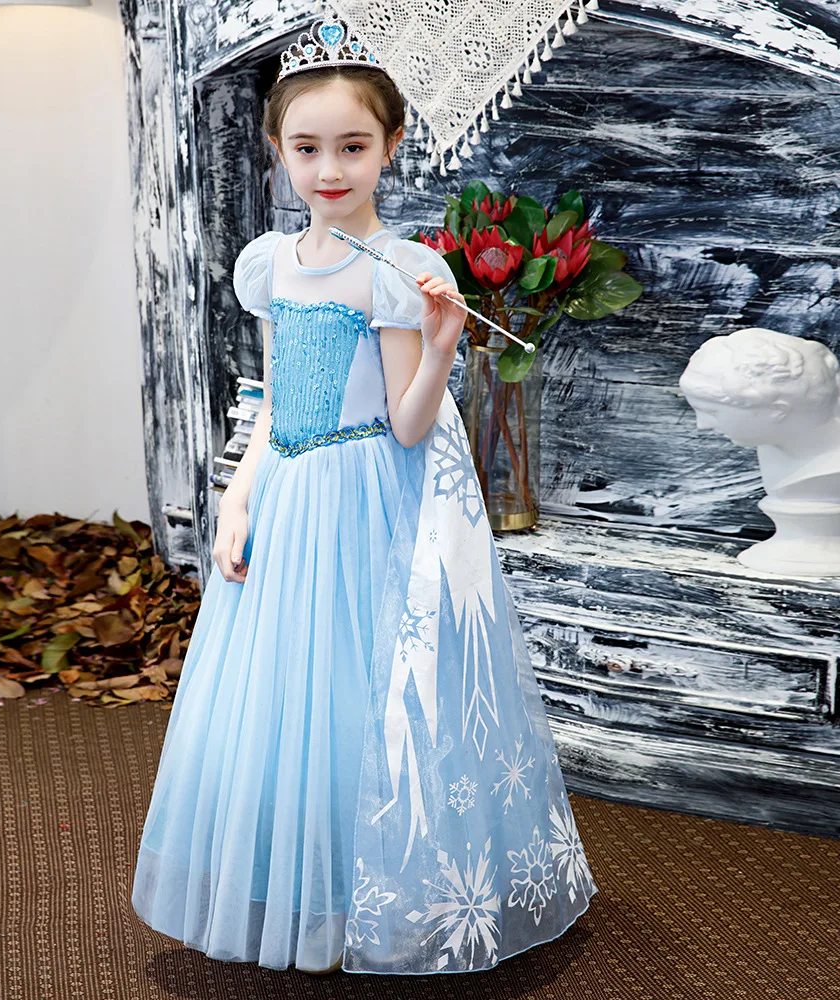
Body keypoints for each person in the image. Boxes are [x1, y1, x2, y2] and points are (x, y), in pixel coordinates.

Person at [131, 12, 598, 977]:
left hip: (360, 499)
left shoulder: (401, 270)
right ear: (278, 151)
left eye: (353, 146)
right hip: (288, 494)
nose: (330, 168)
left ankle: (373, 893)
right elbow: (273, 400)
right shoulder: (270, 262)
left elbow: (410, 425)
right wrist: (239, 496)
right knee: (279, 692)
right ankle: (296, 884)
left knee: (360, 687)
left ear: (390, 146)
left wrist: (440, 345)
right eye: (307, 148)